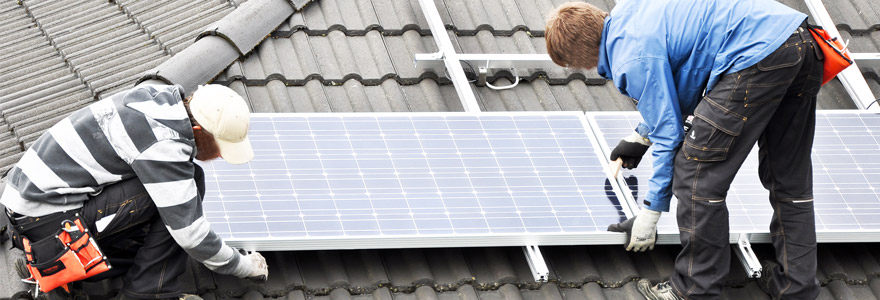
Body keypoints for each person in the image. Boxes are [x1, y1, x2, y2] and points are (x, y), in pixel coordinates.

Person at [545, 1, 822, 299]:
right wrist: (640, 137)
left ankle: (695, 290)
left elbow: (670, 135)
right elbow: (684, 84)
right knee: (788, 176)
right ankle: (797, 286)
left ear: (579, 57)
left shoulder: (629, 59)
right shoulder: (631, 12)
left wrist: (652, 211)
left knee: (696, 174)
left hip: (756, 56)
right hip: (801, 41)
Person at [1, 84, 268, 300]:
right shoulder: (163, 143)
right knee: (185, 195)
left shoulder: (158, 100)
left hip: (30, 208)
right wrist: (243, 266)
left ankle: (106, 262)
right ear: (198, 130)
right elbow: (191, 236)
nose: (220, 155)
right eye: (220, 146)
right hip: (48, 229)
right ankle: (148, 292)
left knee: (176, 190)